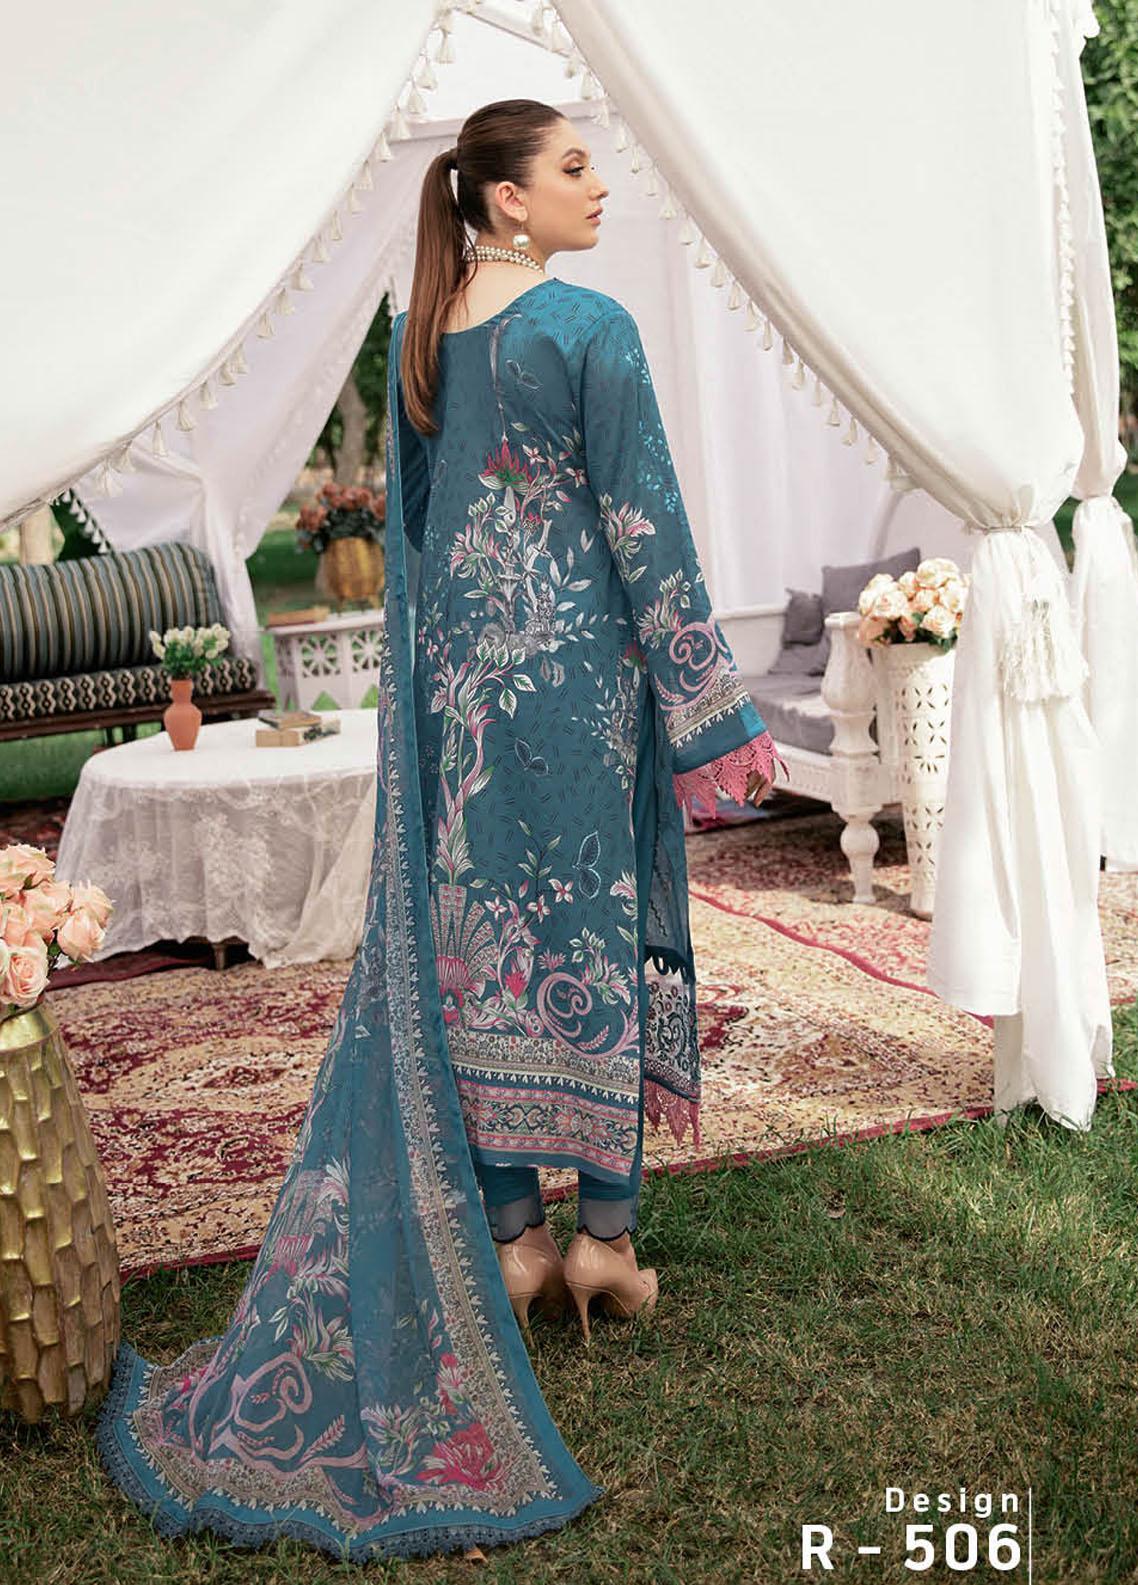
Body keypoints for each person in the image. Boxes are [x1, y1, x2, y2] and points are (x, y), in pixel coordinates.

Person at [93, 98, 779, 1564]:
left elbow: (416, 546)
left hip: (463, 704)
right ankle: (604, 1241)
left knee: (480, 955)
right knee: (591, 936)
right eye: (576, 167)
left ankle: (512, 1242)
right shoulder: (587, 329)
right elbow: (643, 524)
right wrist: (712, 711)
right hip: (575, 697)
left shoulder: (420, 332)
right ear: (508, 199)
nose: (602, 186)